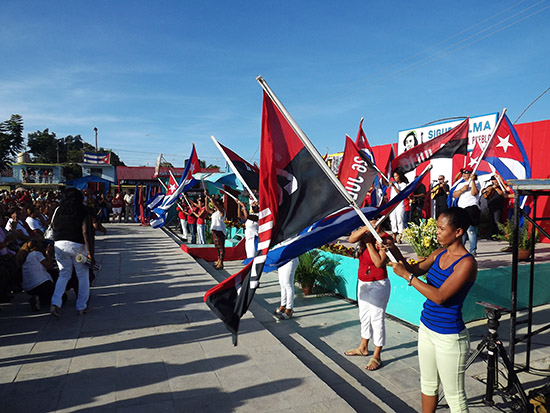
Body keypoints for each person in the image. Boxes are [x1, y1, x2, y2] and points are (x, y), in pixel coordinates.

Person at [388, 207, 477, 412]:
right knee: (427, 384)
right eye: (437, 227)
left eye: (441, 228)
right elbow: (413, 269)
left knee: (455, 396)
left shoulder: (467, 263)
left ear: (458, 232)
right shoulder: (439, 253)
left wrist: (407, 277)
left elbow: (439, 296)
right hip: (427, 327)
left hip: (449, 337)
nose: (436, 232)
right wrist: (393, 249)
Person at [344, 219, 394, 371]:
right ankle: (363, 347)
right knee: (364, 316)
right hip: (363, 282)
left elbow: (379, 262)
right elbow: (351, 238)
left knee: (377, 319)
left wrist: (369, 244)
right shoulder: (365, 234)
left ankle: (377, 355)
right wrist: (366, 228)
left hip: (378, 284)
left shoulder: (385, 239)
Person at [50, 188, 95, 317]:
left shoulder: (58, 210)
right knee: (82, 275)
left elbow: (53, 226)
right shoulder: (83, 210)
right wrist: (91, 253)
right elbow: (86, 232)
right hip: (77, 246)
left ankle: (55, 303)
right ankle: (81, 306)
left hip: (59, 245)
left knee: (64, 274)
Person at [17, 240, 56, 312]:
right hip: (41, 284)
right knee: (62, 298)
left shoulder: (26, 256)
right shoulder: (36, 254)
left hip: (29, 288)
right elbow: (49, 266)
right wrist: (48, 254)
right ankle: (40, 300)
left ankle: (37, 299)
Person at [452, 167, 481, 256]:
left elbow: (474, 193)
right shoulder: (461, 184)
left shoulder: (476, 183)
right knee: (462, 230)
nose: (464, 175)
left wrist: (472, 181)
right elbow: (454, 194)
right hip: (462, 208)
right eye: (463, 173)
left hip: (471, 207)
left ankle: (473, 250)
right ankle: (461, 248)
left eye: (466, 173)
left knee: (470, 230)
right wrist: (462, 190)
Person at [205, 193, 226, 269]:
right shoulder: (215, 212)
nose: (216, 204)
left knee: (221, 248)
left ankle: (221, 263)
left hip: (219, 231)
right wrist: (206, 200)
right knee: (217, 247)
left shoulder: (222, 211)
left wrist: (213, 201)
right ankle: (218, 261)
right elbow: (207, 209)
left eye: (217, 203)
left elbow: (216, 205)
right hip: (214, 230)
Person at [389, 171, 408, 243]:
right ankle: (394, 235)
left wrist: (394, 186)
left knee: (400, 220)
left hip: (400, 204)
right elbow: (385, 183)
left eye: (396, 176)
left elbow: (400, 193)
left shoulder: (403, 184)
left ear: (399, 176)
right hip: (392, 204)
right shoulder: (393, 183)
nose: (395, 178)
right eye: (394, 176)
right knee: (393, 220)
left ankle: (400, 236)